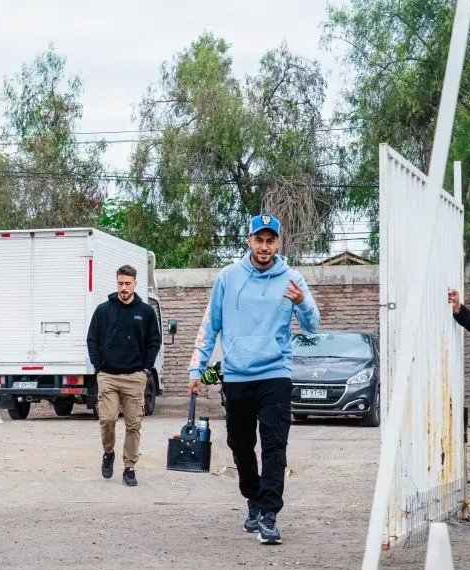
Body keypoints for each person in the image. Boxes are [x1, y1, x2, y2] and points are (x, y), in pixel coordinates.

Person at [188, 213, 321, 545]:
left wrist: (302, 304)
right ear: (249, 241)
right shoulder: (228, 278)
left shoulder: (292, 279)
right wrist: (197, 370)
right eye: (259, 240)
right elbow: (210, 326)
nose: (265, 247)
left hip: (276, 374)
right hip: (236, 376)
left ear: (278, 243)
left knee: (275, 445)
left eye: (270, 241)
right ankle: (253, 497)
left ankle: (269, 514)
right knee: (240, 445)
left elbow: (313, 326)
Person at [86, 265, 162, 487]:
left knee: (133, 424)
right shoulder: (103, 310)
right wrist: (98, 367)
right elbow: (92, 340)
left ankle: (129, 467)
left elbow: (154, 342)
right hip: (108, 376)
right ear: (116, 283)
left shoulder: (146, 312)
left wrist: (146, 370)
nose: (124, 288)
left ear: (135, 284)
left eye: (128, 284)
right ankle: (108, 452)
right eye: (120, 283)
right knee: (107, 418)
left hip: (135, 377)